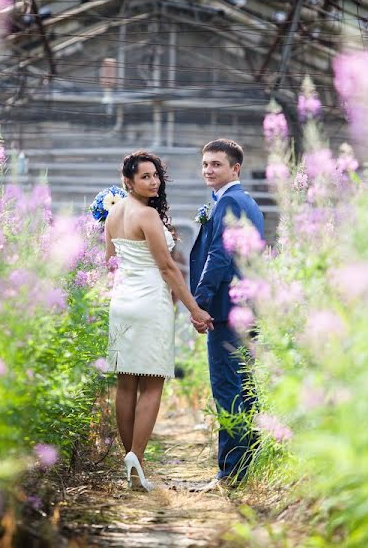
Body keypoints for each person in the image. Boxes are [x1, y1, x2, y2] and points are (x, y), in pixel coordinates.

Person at [104, 150, 214, 491]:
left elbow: (110, 263)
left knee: (126, 385)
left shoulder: (113, 214)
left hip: (122, 303)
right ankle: (136, 457)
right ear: (128, 181)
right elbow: (167, 268)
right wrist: (194, 309)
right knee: (152, 383)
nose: (153, 182)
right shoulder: (147, 216)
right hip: (150, 303)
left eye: (155, 175)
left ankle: (131, 463)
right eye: (145, 177)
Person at [189, 138, 265, 487]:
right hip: (245, 307)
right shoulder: (243, 201)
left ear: (235, 168)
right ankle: (247, 463)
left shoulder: (231, 201)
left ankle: (231, 471)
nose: (208, 170)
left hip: (226, 309)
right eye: (205, 164)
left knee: (228, 388)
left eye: (216, 164)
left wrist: (199, 301)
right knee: (244, 388)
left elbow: (219, 256)